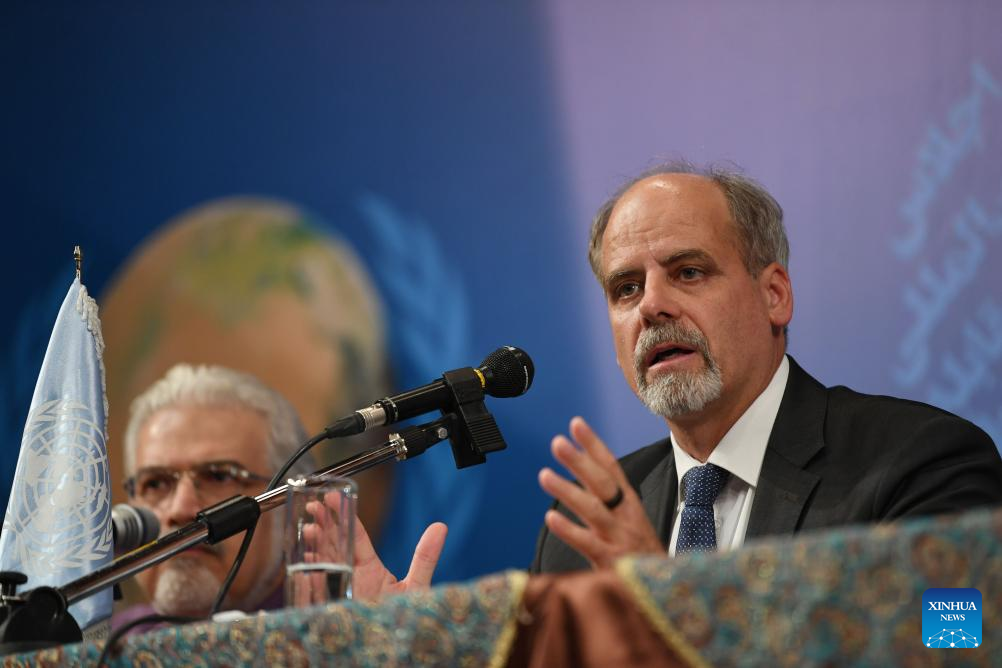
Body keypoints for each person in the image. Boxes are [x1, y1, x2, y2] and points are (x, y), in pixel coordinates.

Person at [529, 161, 1002, 573]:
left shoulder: (919, 463)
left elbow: (954, 637)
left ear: (774, 295)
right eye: (626, 289)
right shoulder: (581, 529)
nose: (651, 305)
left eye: (688, 272)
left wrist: (660, 600)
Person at [114, 363, 444, 630]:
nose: (180, 508)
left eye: (218, 476)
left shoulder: (334, 632)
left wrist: (382, 647)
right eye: (155, 483)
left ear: (292, 509)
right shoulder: (107, 646)